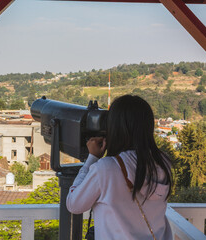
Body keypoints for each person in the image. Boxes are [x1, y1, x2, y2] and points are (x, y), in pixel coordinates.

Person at [66, 95, 173, 240]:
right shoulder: (163, 162)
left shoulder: (107, 168)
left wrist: (92, 158)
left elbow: (74, 204)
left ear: (115, 127)